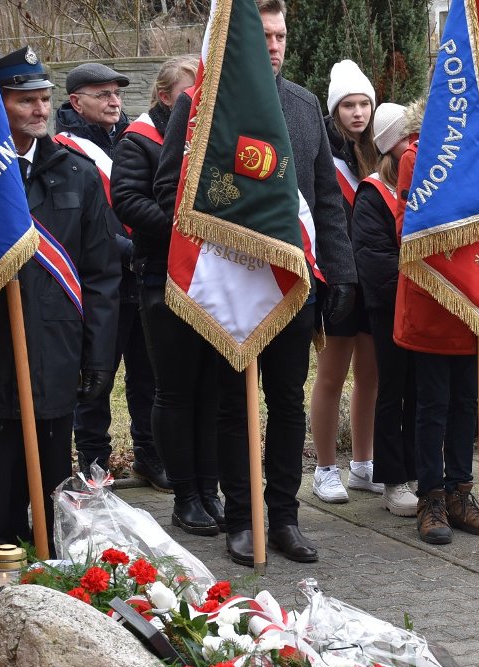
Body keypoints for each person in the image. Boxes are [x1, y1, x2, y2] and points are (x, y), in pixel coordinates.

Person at [156, 0, 359, 565]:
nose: (274, 45)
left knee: (287, 404)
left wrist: (340, 273)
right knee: (231, 406)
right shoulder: (198, 106)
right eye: (264, 35)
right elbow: (169, 189)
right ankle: (242, 520)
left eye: (281, 36)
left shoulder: (302, 103)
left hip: (292, 284)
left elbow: (324, 198)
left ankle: (285, 517)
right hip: (227, 282)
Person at [0, 46, 119, 573]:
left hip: (56, 351)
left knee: (48, 470)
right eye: (25, 101)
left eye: (44, 99)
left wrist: (98, 357)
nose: (40, 111)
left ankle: (44, 563)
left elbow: (102, 274)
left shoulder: (76, 173)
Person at [112, 56, 223, 536]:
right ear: (164, 98)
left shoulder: (210, 137)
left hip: (214, 281)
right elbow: (129, 201)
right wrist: (190, 236)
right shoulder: (139, 140)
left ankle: (210, 487)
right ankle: (185, 496)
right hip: (163, 278)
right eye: (188, 95)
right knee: (176, 391)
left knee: (212, 391)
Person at [55, 62, 169, 491]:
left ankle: (150, 455)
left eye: (117, 92)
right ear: (76, 101)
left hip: (143, 278)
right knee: (96, 377)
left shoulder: (132, 140)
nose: (113, 100)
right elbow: (89, 221)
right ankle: (94, 464)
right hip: (100, 283)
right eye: (101, 93)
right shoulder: (64, 150)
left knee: (149, 375)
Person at [391, 114, 479, 546]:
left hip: (474, 298)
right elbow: (406, 228)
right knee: (432, 406)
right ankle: (430, 498)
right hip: (434, 300)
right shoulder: (415, 159)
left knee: (466, 404)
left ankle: (459, 493)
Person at [310, 59, 383, 506]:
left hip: (374, 281)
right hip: (339, 280)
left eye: (364, 104)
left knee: (371, 376)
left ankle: (363, 464)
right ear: (335, 111)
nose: (358, 113)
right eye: (349, 106)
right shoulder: (326, 154)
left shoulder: (381, 152)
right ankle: (323, 468)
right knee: (332, 373)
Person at [351, 102, 420, 520]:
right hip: (393, 309)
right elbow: (376, 266)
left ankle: (427, 473)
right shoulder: (372, 194)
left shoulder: (425, 183)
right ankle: (395, 479)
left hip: (427, 307)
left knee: (424, 394)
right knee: (393, 391)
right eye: (408, 142)